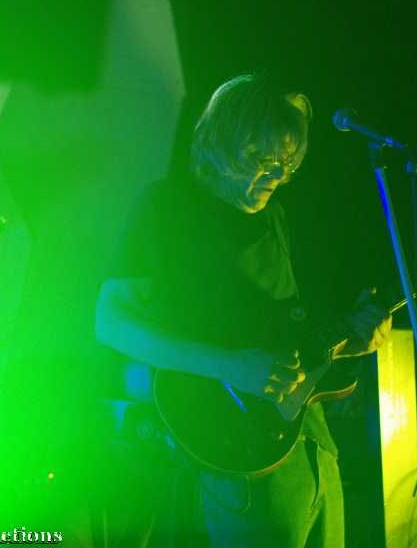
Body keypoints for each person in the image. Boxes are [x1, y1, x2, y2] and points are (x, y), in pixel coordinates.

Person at [95, 73, 392, 546]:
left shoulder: (276, 216)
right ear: (222, 143)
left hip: (309, 442)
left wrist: (350, 343)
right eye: (263, 160)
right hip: (229, 454)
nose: (278, 175)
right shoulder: (167, 206)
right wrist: (227, 365)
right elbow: (112, 323)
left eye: (288, 163)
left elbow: (285, 339)